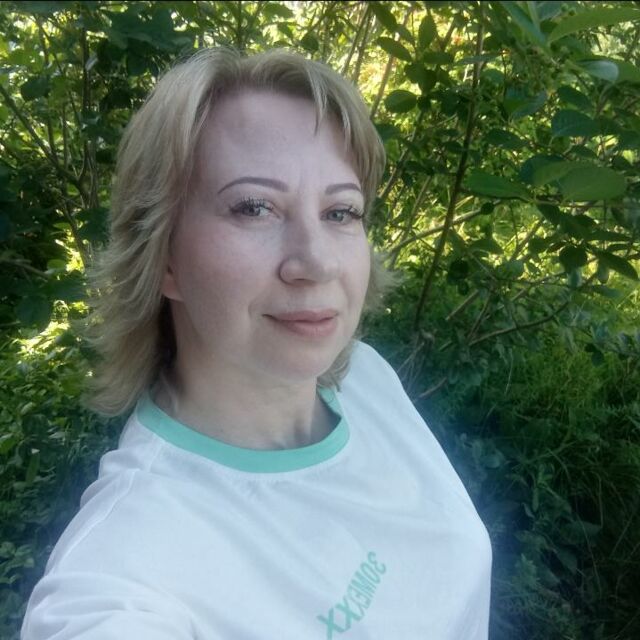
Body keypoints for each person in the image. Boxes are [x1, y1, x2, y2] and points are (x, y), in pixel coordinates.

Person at [21, 47, 492, 639]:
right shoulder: (128, 572)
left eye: (340, 212)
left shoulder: (366, 379)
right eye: (254, 208)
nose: (316, 262)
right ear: (163, 257)